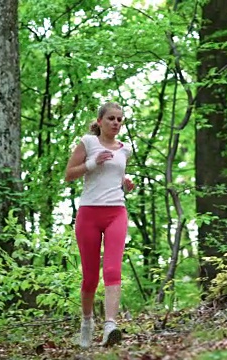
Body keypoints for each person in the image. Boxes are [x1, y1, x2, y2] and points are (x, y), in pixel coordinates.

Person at [64, 102, 135, 348]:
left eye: (119, 120)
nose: (116, 123)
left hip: (116, 211)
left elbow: (115, 176)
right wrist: (94, 163)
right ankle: (86, 323)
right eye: (111, 119)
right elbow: (69, 174)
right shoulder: (88, 142)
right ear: (100, 120)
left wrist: (126, 181)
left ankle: (110, 325)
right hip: (89, 214)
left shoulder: (124, 151)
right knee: (91, 277)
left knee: (113, 270)